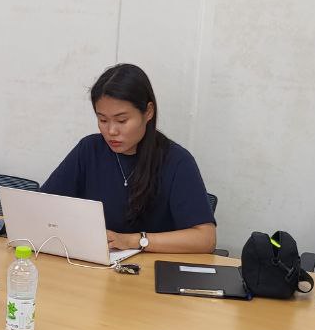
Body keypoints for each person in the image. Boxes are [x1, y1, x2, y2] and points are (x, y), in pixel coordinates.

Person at [42, 63, 216, 254]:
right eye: (103, 120)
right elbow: (42, 206)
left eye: (122, 120)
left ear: (148, 112)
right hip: (94, 264)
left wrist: (133, 240)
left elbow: (205, 239)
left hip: (150, 268)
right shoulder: (89, 150)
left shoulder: (176, 161)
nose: (111, 131)